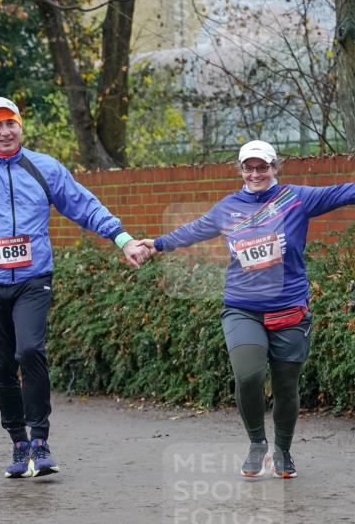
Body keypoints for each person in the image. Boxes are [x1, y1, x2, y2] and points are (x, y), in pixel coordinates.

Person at [0, 94, 147, 478]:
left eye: (10, 124)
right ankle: (18, 444)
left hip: (33, 279)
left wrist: (123, 239)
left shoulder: (44, 168)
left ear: (21, 127)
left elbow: (83, 205)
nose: (4, 132)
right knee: (1, 365)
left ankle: (41, 440)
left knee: (30, 350)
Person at [132, 140, 354, 479]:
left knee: (285, 386)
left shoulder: (296, 199)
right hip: (242, 308)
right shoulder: (228, 207)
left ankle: (283, 449)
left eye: (262, 167)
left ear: (275, 168)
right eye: (248, 167)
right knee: (248, 374)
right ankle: (256, 443)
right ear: (240, 170)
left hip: (289, 308)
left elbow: (343, 192)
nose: (255, 173)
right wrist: (157, 244)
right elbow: (195, 230)